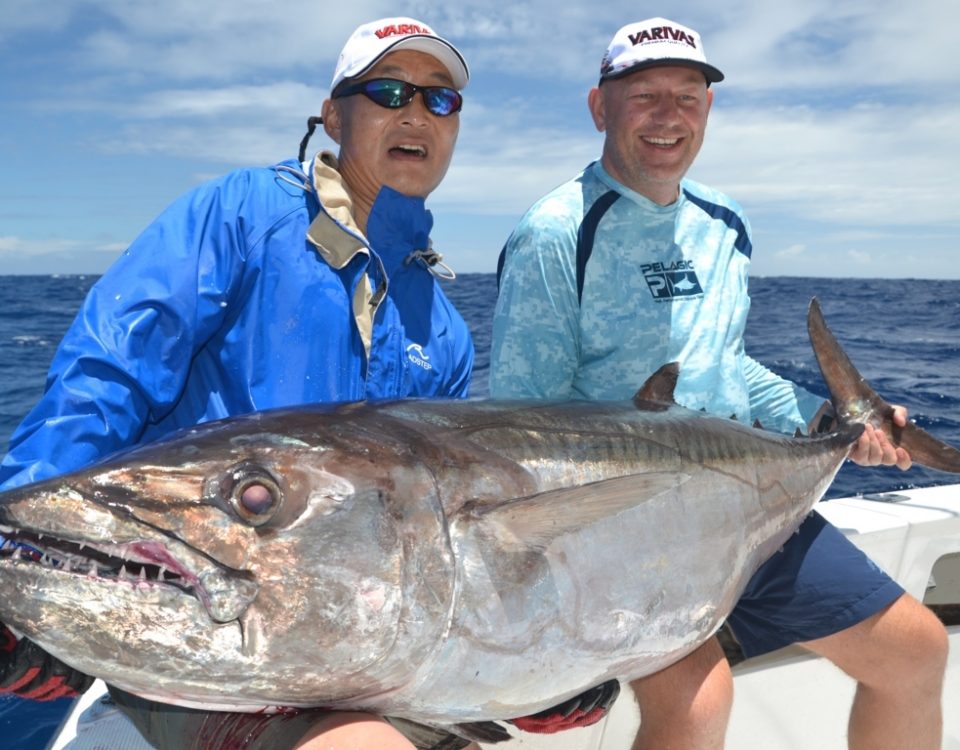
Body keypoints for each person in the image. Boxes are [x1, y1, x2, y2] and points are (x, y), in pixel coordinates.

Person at [0, 16, 617, 750]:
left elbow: (438, 544)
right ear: (333, 115)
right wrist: (31, 557)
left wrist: (525, 669)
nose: (417, 113)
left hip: (368, 654)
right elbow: (108, 374)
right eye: (389, 91)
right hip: (224, 646)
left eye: (440, 100)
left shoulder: (443, 328)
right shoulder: (238, 216)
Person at [490, 16, 949, 750]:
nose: (668, 115)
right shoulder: (557, 231)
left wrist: (832, 417)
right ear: (599, 107)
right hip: (628, 529)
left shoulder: (724, 221)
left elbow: (726, 366)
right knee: (701, 703)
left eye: (688, 95)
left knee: (918, 651)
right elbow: (523, 424)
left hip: (749, 503)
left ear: (708, 110)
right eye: (644, 95)